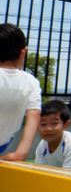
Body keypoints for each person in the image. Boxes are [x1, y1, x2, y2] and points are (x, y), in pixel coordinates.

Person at [0, 23, 41, 161]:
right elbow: (34, 114)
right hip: (3, 143)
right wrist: (21, 153)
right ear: (23, 52)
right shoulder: (31, 82)